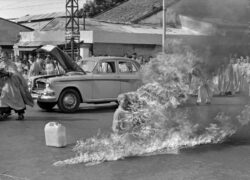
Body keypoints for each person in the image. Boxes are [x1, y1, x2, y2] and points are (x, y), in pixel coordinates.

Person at [0, 51, 34, 120]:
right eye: (1, 57)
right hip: (5, 84)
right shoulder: (1, 64)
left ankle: (20, 114)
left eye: (4, 57)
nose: (2, 58)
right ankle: (5, 113)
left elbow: (15, 73)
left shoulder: (12, 64)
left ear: (7, 57)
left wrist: (8, 73)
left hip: (12, 84)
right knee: (3, 98)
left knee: (16, 99)